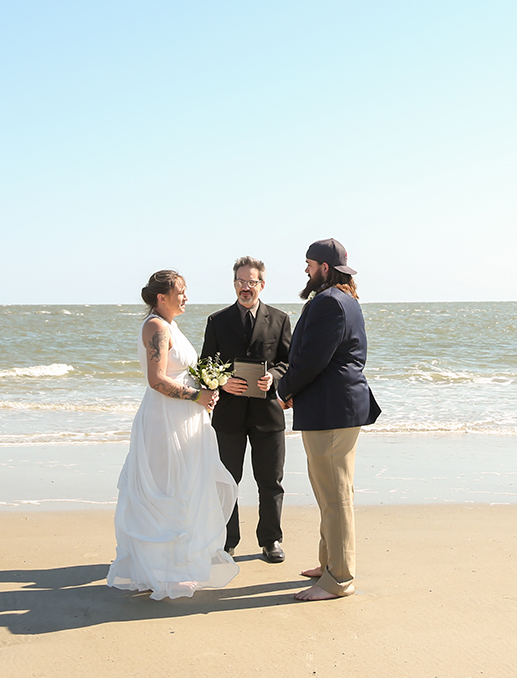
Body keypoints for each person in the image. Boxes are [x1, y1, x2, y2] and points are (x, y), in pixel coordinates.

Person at [107, 270, 239, 600]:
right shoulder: (155, 327)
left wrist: (207, 387)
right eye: (180, 291)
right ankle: (159, 569)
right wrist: (196, 396)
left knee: (185, 487)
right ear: (161, 297)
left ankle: (177, 565)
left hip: (185, 420)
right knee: (166, 488)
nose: (186, 297)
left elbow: (181, 373)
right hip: (164, 421)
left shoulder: (171, 326)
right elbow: (157, 379)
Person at [277, 238, 381, 601]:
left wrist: (283, 389)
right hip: (334, 407)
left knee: (335, 496)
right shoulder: (344, 299)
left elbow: (310, 360)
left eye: (309, 263)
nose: (305, 269)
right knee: (330, 492)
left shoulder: (330, 303)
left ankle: (339, 580)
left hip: (332, 410)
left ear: (324, 267)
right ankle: (329, 563)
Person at [201, 256, 291, 563]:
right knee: (227, 481)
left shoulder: (280, 319)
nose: (245, 288)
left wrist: (274, 378)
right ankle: (227, 541)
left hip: (268, 413)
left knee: (270, 480)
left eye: (251, 282)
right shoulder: (217, 321)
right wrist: (223, 382)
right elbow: (206, 364)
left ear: (261, 285)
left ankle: (271, 540)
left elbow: (288, 362)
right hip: (228, 415)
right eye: (240, 282)